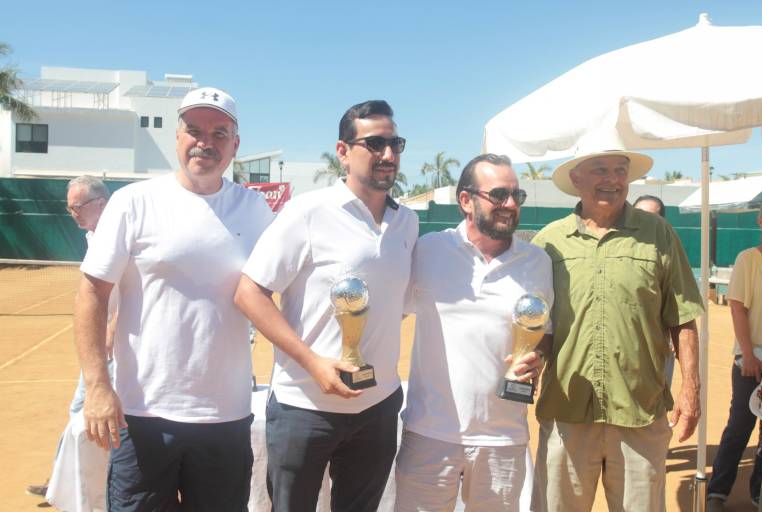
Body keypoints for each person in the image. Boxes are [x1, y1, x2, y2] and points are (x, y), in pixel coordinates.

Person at [74, 87, 274, 511]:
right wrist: (96, 385)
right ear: (177, 136)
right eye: (194, 129)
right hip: (143, 412)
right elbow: (92, 291)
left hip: (226, 416)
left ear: (235, 146)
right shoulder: (134, 202)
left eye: (220, 133)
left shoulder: (256, 211)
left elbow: (285, 292)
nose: (206, 141)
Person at [234, 100, 419, 512]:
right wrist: (314, 362)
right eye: (374, 144)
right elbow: (249, 292)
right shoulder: (307, 212)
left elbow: (397, 304)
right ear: (343, 151)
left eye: (395, 143)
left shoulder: (407, 222)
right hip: (306, 408)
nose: (388, 155)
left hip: (379, 404)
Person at [531, 145, 704, 511]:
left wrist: (691, 389)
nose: (612, 180)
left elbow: (683, 317)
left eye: (620, 170)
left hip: (639, 413)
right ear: (576, 179)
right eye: (600, 169)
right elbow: (534, 323)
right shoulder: (548, 242)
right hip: (568, 412)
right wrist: (527, 360)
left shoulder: (658, 234)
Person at [395, 154, 553, 511]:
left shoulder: (537, 262)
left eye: (517, 196)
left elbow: (545, 332)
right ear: (466, 200)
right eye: (498, 195)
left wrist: (538, 357)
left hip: (504, 437)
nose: (510, 205)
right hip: (428, 433)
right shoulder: (428, 250)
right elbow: (389, 318)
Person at [25, 175, 113, 499]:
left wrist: (114, 327)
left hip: (119, 349)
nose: (73, 212)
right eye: (69, 208)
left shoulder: (119, 235)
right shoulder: (92, 235)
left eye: (78, 206)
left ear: (101, 204)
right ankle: (63, 484)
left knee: (102, 417)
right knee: (79, 412)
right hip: (100, 349)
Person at [707, 202, 762, 511]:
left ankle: (760, 492)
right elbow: (737, 307)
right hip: (752, 361)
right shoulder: (748, 259)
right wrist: (748, 353)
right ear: (761, 221)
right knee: (740, 426)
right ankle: (717, 492)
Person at [632, 194, 675, 388]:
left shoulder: (670, 254)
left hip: (658, 350)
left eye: (653, 216)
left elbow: (679, 307)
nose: (645, 220)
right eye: (639, 214)